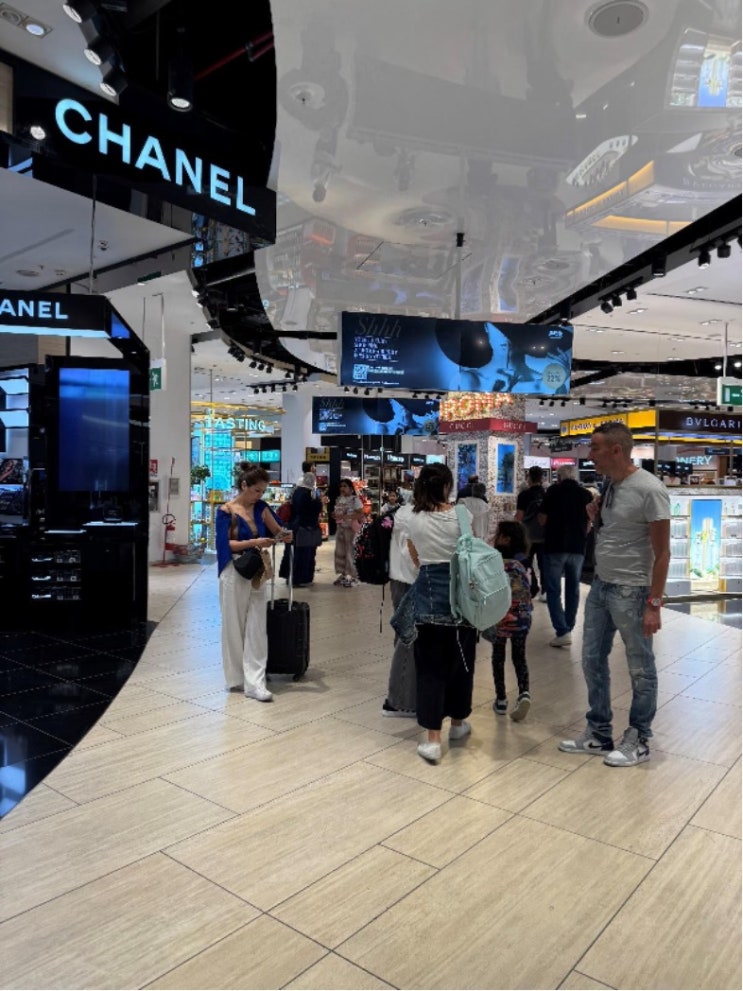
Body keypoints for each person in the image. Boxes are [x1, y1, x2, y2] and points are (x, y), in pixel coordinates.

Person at [559, 422, 670, 767]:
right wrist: (594, 517)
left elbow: (663, 553)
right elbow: (616, 534)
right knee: (591, 658)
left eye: (595, 448)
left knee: (640, 667)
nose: (589, 454)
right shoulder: (610, 486)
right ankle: (599, 731)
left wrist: (654, 604)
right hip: (601, 586)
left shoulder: (650, 489)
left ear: (616, 450)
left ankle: (639, 738)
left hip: (633, 590)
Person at [391, 462, 478, 763]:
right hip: (463, 604)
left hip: (427, 600)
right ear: (447, 486)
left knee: (430, 669)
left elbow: (415, 559)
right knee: (462, 664)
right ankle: (458, 724)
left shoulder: (412, 518)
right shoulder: (462, 515)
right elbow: (472, 553)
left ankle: (432, 740)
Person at [216, 465, 293, 702]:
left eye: (262, 491)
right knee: (233, 625)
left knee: (257, 625)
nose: (259, 495)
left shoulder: (261, 508)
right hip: (233, 569)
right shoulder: (225, 511)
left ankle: (255, 682)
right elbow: (225, 545)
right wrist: (255, 542)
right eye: (256, 490)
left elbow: (278, 530)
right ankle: (236, 678)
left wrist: (284, 535)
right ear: (244, 486)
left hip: (257, 569)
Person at [538, 465, 593, 647]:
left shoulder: (553, 491)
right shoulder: (585, 494)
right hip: (577, 547)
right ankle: (568, 626)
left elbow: (543, 519)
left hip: (554, 545)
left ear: (559, 477)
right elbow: (589, 523)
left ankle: (562, 631)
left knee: (553, 590)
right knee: (573, 589)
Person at [486, 520, 532, 721]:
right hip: (522, 618)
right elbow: (534, 589)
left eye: (498, 534)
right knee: (519, 657)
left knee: (498, 657)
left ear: (505, 539)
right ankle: (524, 692)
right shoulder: (524, 562)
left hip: (500, 618)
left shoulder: (495, 562)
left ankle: (501, 699)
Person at [382, 499, 418, 717]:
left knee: (406, 638)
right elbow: (411, 555)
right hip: (409, 582)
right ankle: (400, 702)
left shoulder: (403, 512)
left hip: (401, 580)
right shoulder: (411, 515)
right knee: (408, 639)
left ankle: (405, 695)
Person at [279, 471, 324, 587]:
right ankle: (299, 579)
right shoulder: (308, 493)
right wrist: (320, 502)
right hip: (304, 528)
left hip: (294, 526)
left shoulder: (296, 491)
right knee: (304, 554)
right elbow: (312, 509)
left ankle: (290, 576)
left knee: (292, 553)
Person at [516, 466, 546, 600]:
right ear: (541, 478)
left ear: (529, 477)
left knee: (526, 562)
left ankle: (532, 586)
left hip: (527, 535)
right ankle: (545, 590)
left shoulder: (524, 495)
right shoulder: (546, 494)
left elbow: (520, 516)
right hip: (544, 534)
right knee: (543, 564)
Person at [333, 477, 364, 586]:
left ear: (351, 488)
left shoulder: (355, 500)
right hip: (340, 529)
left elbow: (360, 514)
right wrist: (335, 515)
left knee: (350, 552)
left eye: (345, 486)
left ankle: (353, 576)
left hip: (351, 530)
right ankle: (343, 574)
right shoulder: (339, 499)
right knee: (340, 552)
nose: (342, 488)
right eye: (341, 486)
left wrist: (346, 516)